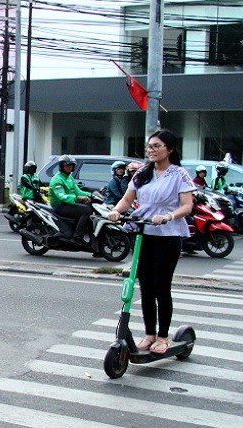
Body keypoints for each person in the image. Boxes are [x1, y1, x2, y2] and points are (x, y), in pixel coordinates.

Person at [107, 129, 194, 355]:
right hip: (144, 232)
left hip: (168, 235)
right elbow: (127, 199)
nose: (152, 150)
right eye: (150, 146)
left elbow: (187, 205)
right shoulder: (142, 173)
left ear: (170, 149)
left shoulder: (179, 175)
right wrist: (115, 211)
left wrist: (168, 216)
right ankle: (149, 334)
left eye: (157, 146)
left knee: (161, 287)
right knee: (145, 287)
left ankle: (163, 336)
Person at [48, 155, 93, 243]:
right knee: (87, 210)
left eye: (71, 165)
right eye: (67, 165)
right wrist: (77, 198)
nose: (69, 167)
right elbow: (62, 196)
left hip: (68, 204)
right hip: (60, 205)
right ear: (61, 166)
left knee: (90, 209)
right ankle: (77, 237)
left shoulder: (69, 177)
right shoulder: (57, 180)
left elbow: (78, 191)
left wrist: (92, 195)